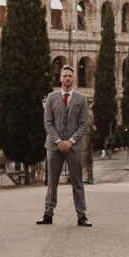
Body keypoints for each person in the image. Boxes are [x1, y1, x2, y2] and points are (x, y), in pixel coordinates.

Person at [36, 64, 92, 227]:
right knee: (52, 182)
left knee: (77, 182)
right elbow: (48, 122)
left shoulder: (81, 99)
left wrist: (71, 141)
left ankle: (82, 216)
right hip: (54, 147)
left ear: (74, 79)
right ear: (60, 78)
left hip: (74, 147)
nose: (67, 78)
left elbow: (84, 123)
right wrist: (59, 141)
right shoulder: (51, 97)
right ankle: (48, 213)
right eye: (64, 76)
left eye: (70, 76)